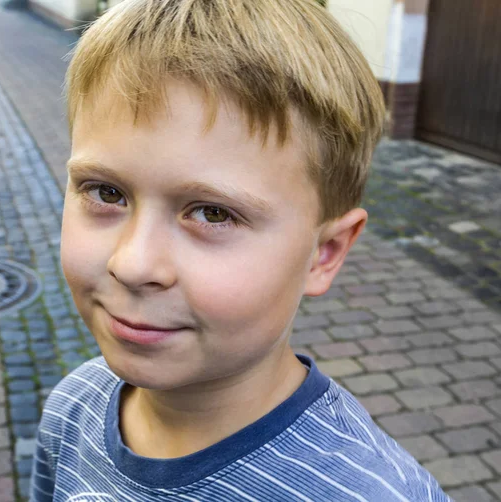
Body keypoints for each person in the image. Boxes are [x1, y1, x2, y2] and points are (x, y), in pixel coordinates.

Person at [30, 0, 451, 500]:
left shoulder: (369, 492)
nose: (133, 263)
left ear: (324, 253)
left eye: (212, 213)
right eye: (106, 193)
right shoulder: (72, 408)